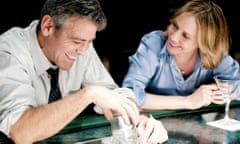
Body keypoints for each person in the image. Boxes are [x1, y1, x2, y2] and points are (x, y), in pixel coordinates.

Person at [0, 0, 168, 143]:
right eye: (77, 41)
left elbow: (111, 94)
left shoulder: (82, 48)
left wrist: (141, 118)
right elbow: (21, 132)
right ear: (48, 26)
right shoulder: (9, 52)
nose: (83, 51)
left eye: (89, 42)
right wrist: (89, 94)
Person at [122, 0, 240, 110]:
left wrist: (226, 92)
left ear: (204, 43)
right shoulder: (153, 44)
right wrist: (188, 101)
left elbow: (237, 85)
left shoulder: (215, 55)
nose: (173, 37)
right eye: (175, 25)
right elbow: (129, 94)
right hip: (152, 124)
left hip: (197, 127)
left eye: (186, 36)